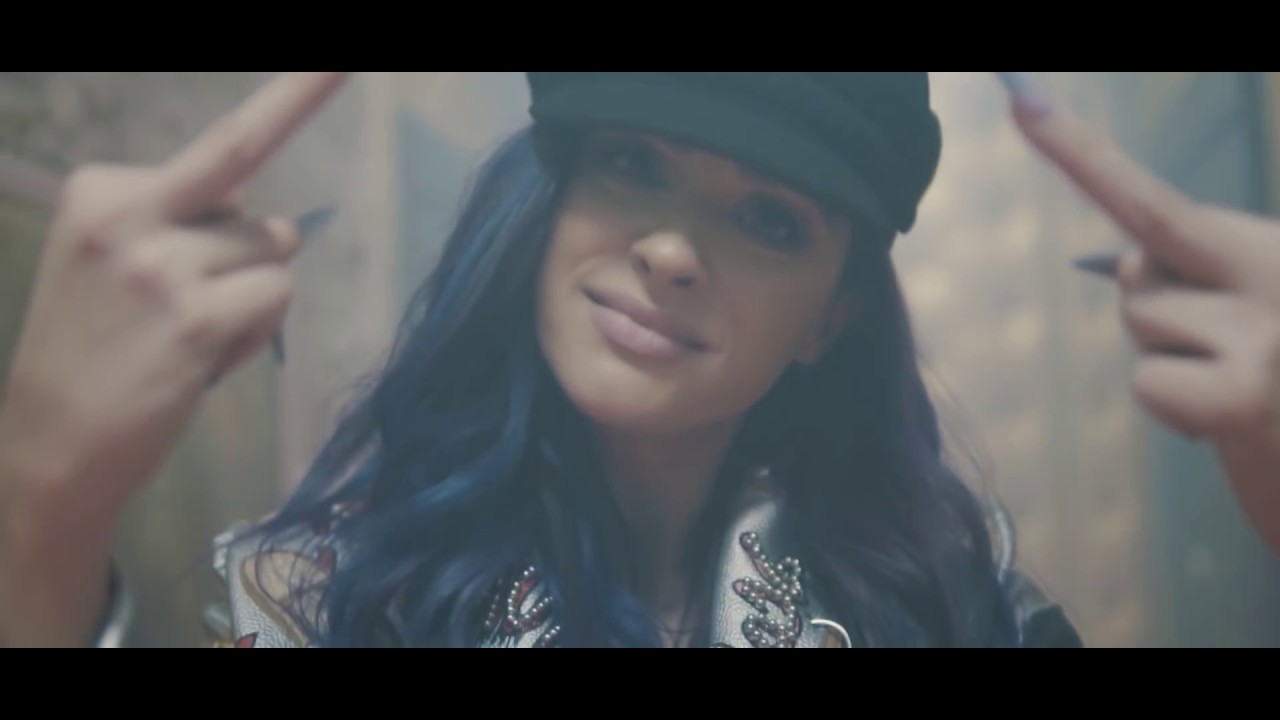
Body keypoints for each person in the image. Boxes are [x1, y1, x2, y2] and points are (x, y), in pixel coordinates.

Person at [1, 72, 1277, 648]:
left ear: (828, 319)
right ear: (543, 206)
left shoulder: (956, 606)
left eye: (767, 220)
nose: (670, 251)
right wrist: (39, 509)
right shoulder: (326, 598)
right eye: (629, 165)